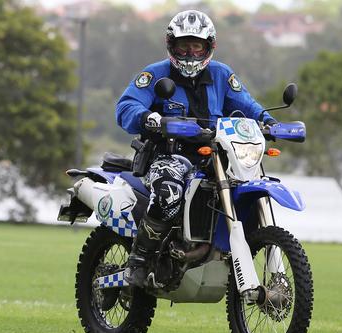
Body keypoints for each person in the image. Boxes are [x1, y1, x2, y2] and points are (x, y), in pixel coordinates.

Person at [116, 10, 276, 287]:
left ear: (208, 46)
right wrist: (148, 118)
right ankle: (139, 261)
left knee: (253, 183)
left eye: (196, 45)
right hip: (168, 155)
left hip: (216, 156)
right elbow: (126, 106)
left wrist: (268, 120)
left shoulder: (221, 74)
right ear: (171, 45)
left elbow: (246, 104)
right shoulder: (154, 74)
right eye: (183, 45)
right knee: (168, 193)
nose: (190, 53)